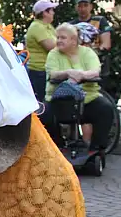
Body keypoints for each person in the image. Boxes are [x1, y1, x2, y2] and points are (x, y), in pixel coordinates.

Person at [40, 23, 116, 153]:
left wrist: (82, 75)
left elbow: (95, 71)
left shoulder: (87, 53)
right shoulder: (53, 54)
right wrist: (68, 73)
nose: (58, 40)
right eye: (57, 37)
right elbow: (53, 73)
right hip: (59, 99)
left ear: (74, 40)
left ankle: (96, 149)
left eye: (63, 38)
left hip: (87, 98)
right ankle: (57, 148)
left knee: (106, 109)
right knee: (44, 115)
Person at [25, 0, 58, 101]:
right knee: (42, 102)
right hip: (39, 71)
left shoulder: (48, 27)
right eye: (51, 10)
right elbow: (52, 47)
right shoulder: (37, 27)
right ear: (44, 12)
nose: (53, 13)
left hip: (46, 70)